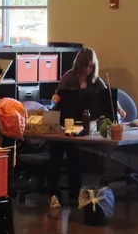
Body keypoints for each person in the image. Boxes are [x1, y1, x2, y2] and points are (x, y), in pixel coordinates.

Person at [46, 47, 123, 210]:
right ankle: (53, 194)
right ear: (79, 65)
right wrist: (54, 98)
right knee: (57, 156)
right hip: (62, 124)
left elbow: (108, 96)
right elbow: (56, 98)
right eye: (85, 66)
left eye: (91, 66)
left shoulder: (95, 80)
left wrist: (119, 109)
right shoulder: (69, 77)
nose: (88, 70)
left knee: (75, 158)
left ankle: (75, 196)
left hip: (81, 126)